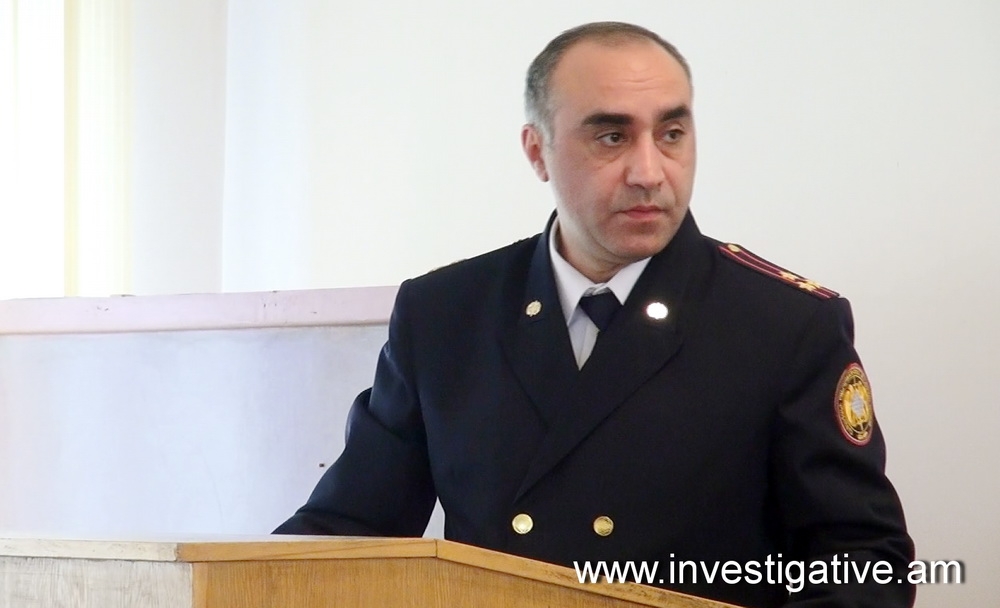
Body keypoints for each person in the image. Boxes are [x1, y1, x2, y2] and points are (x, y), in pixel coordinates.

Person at [275, 21, 914, 607]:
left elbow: (864, 565)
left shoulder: (783, 326)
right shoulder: (444, 314)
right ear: (537, 151)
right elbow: (351, 528)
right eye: (612, 137)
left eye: (671, 134)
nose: (649, 172)